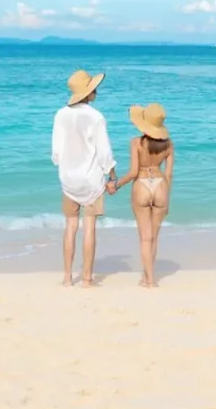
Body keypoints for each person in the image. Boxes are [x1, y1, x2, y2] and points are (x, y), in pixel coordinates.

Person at [51, 68, 117, 287]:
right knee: (89, 227)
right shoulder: (96, 117)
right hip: (91, 179)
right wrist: (112, 174)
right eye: (94, 89)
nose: (96, 91)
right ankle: (87, 279)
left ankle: (67, 277)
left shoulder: (60, 114)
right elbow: (104, 151)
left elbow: (56, 153)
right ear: (88, 93)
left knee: (70, 226)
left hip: (68, 178)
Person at [109, 103, 173, 288]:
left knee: (144, 238)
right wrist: (167, 199)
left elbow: (133, 172)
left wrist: (116, 185)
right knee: (154, 237)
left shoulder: (136, 143)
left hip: (142, 185)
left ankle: (149, 280)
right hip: (160, 185)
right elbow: (169, 174)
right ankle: (148, 277)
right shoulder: (169, 144)